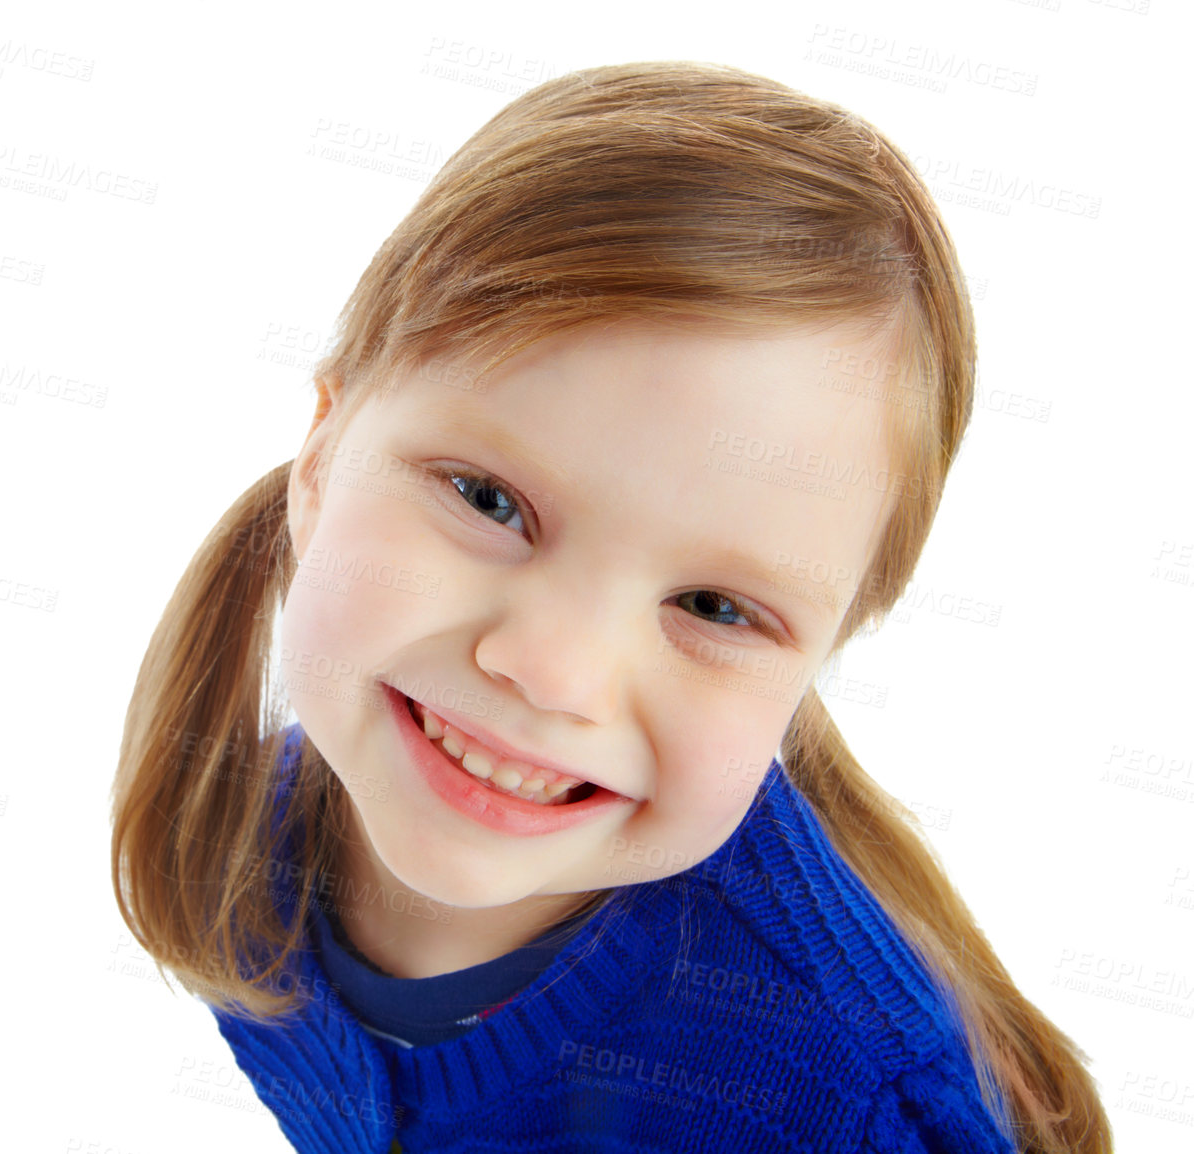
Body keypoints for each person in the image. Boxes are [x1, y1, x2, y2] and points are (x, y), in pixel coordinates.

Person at [109, 61, 1110, 1153]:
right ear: (322, 454)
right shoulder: (247, 838)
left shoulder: (839, 1100)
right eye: (488, 500)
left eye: (713, 606)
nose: (552, 668)